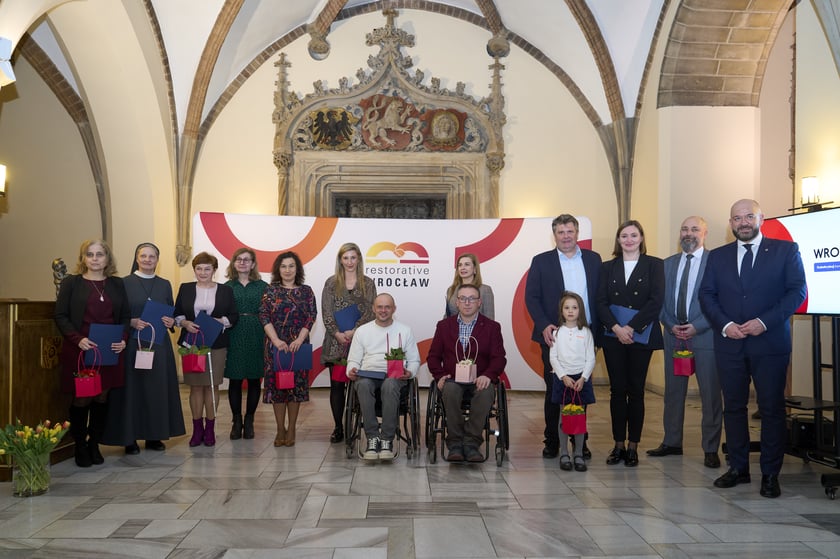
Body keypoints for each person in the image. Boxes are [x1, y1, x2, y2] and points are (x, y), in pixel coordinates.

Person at [699, 199, 806, 498]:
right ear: (730, 223)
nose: (743, 222)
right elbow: (707, 295)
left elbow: (797, 291)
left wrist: (763, 322)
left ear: (761, 219)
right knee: (733, 408)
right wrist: (725, 325)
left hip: (769, 344)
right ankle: (738, 468)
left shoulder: (786, 250)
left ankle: (770, 474)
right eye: (737, 218)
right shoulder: (717, 256)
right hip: (729, 343)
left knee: (771, 409)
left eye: (749, 216)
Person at [648, 217, 723, 468]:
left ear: (705, 233)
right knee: (673, 392)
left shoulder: (716, 262)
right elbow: (658, 301)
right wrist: (670, 325)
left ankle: (710, 448)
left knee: (710, 395)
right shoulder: (667, 264)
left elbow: (721, 301)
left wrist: (697, 326)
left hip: (705, 336)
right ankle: (672, 442)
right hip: (673, 336)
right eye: (684, 229)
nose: (688, 233)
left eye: (694, 229)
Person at [525, 214, 601, 460]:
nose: (566, 236)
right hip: (554, 337)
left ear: (577, 233)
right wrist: (544, 325)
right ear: (554, 235)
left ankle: (580, 441)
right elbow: (531, 297)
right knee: (555, 389)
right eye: (561, 232)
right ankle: (552, 440)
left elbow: (600, 296)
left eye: (570, 231)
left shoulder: (593, 259)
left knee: (581, 388)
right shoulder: (541, 261)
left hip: (585, 336)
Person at [102, 242, 185, 455]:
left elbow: (172, 311)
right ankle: (129, 438)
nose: (147, 260)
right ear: (137, 258)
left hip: (159, 346)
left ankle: (154, 436)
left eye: (152, 256)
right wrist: (131, 321)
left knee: (156, 391)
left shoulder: (164, 284)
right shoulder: (123, 283)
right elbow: (115, 313)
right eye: (143, 256)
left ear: (157, 260)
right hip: (132, 344)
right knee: (132, 392)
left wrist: (171, 321)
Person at [55, 239, 129, 467]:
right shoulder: (72, 283)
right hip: (81, 349)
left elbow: (125, 316)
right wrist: (77, 339)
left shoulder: (117, 284)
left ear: (107, 258)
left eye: (100, 254)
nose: (95, 259)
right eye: (90, 254)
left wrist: (123, 340)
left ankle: (94, 443)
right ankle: (80, 445)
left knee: (102, 396)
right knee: (82, 397)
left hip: (109, 350)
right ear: (83, 258)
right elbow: (60, 315)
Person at [596, 220, 664, 467]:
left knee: (636, 391)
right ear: (618, 240)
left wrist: (631, 328)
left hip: (640, 335)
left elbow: (656, 301)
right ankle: (618, 445)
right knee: (617, 391)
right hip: (613, 335)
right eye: (624, 235)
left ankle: (633, 445)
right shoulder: (607, 267)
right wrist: (616, 328)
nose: (629, 240)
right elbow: (600, 301)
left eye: (634, 235)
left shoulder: (654, 265)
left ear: (641, 238)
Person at [427, 284, 507, 462]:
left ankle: (471, 442)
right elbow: (433, 357)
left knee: (485, 392)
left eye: (472, 299)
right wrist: (440, 376)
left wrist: (488, 375)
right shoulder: (444, 326)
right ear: (457, 302)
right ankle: (455, 443)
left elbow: (499, 358)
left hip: (480, 379)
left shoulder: (492, 327)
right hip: (452, 379)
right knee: (450, 390)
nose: (467, 303)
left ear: (479, 302)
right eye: (463, 298)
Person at [175, 252, 238, 447]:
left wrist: (220, 321)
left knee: (212, 386)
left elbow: (233, 316)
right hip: (191, 344)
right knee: (195, 387)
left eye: (207, 269)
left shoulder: (225, 290)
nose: (203, 272)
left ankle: (210, 429)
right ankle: (197, 430)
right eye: (199, 268)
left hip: (216, 344)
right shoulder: (185, 288)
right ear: (194, 270)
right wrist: (185, 323)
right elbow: (177, 313)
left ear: (214, 270)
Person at [346, 293, 421, 461]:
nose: (383, 310)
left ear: (394, 309)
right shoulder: (362, 331)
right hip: (368, 374)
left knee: (390, 384)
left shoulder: (405, 330)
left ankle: (387, 439)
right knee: (363, 384)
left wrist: (409, 372)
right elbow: (353, 360)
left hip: (395, 377)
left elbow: (414, 360)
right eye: (379, 307)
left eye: (387, 307)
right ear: (373, 309)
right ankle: (372, 438)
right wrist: (351, 370)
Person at [320, 243, 377, 444]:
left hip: (361, 343)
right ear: (340, 260)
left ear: (359, 259)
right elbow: (326, 312)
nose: (350, 262)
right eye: (346, 258)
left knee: (360, 385)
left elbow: (371, 312)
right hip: (336, 344)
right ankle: (338, 427)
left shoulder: (368, 283)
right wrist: (337, 333)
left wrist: (355, 332)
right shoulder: (331, 283)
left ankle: (358, 424)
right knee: (337, 386)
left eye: (353, 257)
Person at [260, 251, 317, 447]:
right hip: (275, 345)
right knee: (277, 388)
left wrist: (300, 339)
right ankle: (279, 429)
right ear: (278, 269)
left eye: (291, 266)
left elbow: (311, 316)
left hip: (298, 346)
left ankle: (291, 428)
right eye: (283, 266)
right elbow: (264, 316)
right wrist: (276, 340)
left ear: (297, 269)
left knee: (295, 389)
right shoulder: (270, 291)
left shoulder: (306, 291)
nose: (287, 270)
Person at [549, 291, 596, 472]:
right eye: (566, 307)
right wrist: (563, 376)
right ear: (561, 311)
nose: (570, 311)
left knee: (579, 418)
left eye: (574, 308)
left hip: (580, 381)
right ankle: (564, 453)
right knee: (564, 417)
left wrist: (583, 378)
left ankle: (578, 453)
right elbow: (553, 357)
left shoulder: (586, 332)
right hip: (563, 380)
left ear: (580, 310)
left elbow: (591, 358)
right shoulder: (556, 332)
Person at [224, 248, 268, 440]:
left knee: (254, 378)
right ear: (234, 263)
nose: (242, 262)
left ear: (253, 264)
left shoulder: (263, 286)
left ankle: (249, 420)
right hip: (233, 333)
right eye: (239, 259)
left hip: (257, 333)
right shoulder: (226, 287)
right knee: (234, 379)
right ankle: (236, 421)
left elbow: (268, 311)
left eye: (247, 260)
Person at [444, 253, 495, 319]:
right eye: (460, 265)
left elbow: (490, 318)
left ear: (475, 269)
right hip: (453, 326)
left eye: (467, 264)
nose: (462, 268)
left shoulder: (485, 290)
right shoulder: (451, 289)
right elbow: (447, 316)